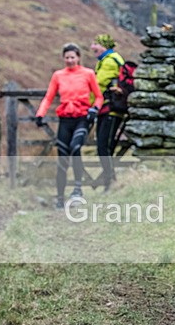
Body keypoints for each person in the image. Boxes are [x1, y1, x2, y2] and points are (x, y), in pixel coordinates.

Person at [34, 43, 102, 209]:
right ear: (63, 58)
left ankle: (78, 188)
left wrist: (95, 109)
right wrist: (40, 114)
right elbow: (48, 97)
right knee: (62, 157)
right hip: (65, 119)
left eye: (73, 57)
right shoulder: (58, 75)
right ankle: (59, 197)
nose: (70, 60)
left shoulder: (88, 74)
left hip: (82, 117)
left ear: (78, 57)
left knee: (75, 147)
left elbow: (99, 96)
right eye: (67, 57)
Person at [90, 34, 125, 191]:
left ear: (105, 46)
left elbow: (98, 84)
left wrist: (87, 103)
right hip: (107, 109)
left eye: (96, 44)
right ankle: (110, 180)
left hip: (110, 109)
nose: (92, 47)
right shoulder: (107, 60)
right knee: (105, 146)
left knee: (104, 146)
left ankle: (109, 181)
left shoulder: (110, 61)